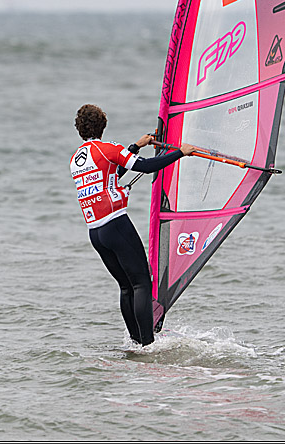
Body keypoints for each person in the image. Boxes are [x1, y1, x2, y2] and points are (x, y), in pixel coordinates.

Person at [70, 104, 194, 346]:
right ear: (103, 125)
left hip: (96, 232)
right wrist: (181, 152)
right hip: (116, 225)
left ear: (80, 130)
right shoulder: (109, 148)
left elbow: (113, 173)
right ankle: (148, 344)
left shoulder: (76, 160)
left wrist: (137, 146)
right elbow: (146, 167)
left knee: (126, 286)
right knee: (141, 283)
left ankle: (136, 342)